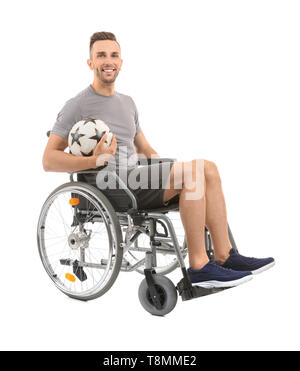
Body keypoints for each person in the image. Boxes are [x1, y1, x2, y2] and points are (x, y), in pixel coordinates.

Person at [42, 31, 275, 289]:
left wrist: (169, 169)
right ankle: (199, 266)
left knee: (207, 169)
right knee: (193, 173)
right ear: (90, 63)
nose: (108, 61)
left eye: (114, 55)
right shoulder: (77, 105)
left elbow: (145, 149)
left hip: (135, 176)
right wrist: (94, 161)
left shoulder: (127, 103)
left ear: (121, 62)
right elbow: (49, 160)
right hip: (110, 183)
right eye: (101, 55)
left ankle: (225, 255)